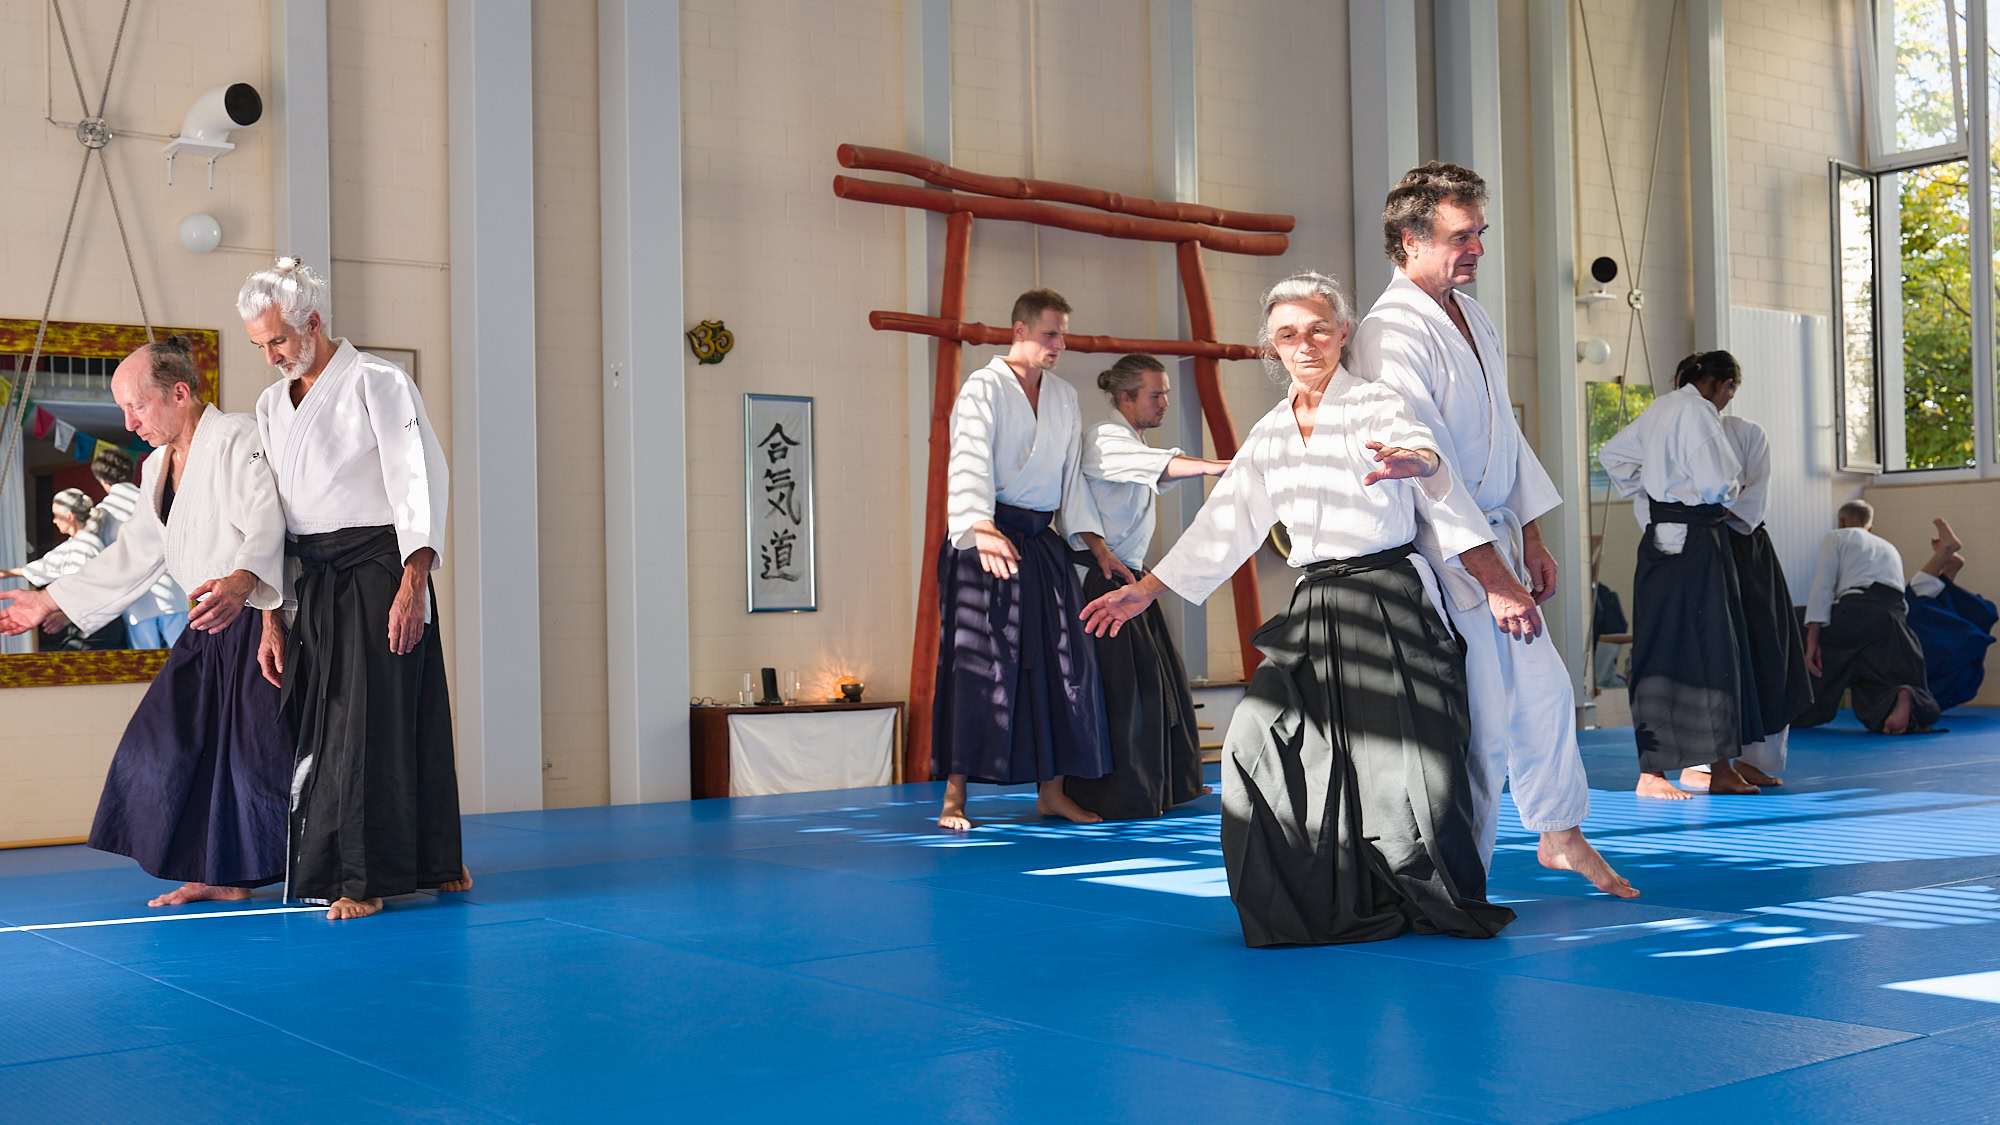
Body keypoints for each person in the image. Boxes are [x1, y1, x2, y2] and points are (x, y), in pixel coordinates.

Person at [1082, 271, 1516, 947]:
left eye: (1319, 329)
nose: (1305, 344)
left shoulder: (1375, 402)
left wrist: (1416, 461)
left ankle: (1427, 895)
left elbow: (1421, 449)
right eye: (1288, 334)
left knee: (1407, 770)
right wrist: (1147, 589)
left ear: (1343, 332)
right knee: (1257, 744)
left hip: (1388, 599)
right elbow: (1226, 522)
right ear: (1272, 346)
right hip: (1314, 604)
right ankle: (1313, 902)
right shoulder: (1271, 433)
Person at [1352, 162, 1636, 896]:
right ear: (1411, 240)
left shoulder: (1472, 316)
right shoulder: (1388, 332)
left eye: (1480, 232)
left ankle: (1559, 834)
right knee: (1478, 721)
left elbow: (1501, 434)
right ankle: (1461, 877)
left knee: (1545, 691)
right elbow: (1430, 469)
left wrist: (1531, 536)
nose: (1478, 247)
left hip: (1496, 537)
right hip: (1440, 552)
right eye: (1461, 235)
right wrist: (1496, 577)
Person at [0, 337, 290, 907]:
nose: (129, 423)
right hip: (204, 626)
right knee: (161, 744)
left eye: (137, 406)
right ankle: (214, 870)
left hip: (255, 616)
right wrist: (48, 601)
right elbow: (134, 555)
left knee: (254, 761)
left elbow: (267, 520)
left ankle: (292, 869)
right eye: (124, 410)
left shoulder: (238, 437)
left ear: (180, 393)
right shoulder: (156, 466)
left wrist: (241, 582)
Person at [239, 257, 469, 920]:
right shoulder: (270, 406)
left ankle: (363, 878)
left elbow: (416, 476)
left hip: (379, 569)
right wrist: (270, 612)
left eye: (278, 340)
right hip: (313, 577)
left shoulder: (377, 380)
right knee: (333, 721)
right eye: (260, 345)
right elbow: (270, 515)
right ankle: (431, 858)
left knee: (374, 720)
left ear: (312, 321)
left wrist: (413, 580)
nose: (271, 357)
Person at [934, 288, 1120, 830]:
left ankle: (1052, 792)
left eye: (1063, 334)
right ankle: (954, 797)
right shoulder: (984, 387)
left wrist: (1097, 545)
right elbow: (967, 458)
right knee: (980, 662)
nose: (1059, 344)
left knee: (1064, 663)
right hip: (986, 540)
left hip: (1041, 542)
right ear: (1019, 330)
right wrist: (981, 526)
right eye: (1049, 334)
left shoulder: (1062, 395)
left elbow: (1069, 477)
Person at [1063, 354, 1228, 820]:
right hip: (1100, 581)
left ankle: (1164, 785)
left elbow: (1154, 471)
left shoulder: (1130, 440)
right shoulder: (1103, 438)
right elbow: (1161, 467)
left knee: (1158, 683)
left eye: (1166, 395)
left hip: (1129, 575)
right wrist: (1213, 467)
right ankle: (1114, 794)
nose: (1164, 403)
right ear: (1126, 397)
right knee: (1122, 692)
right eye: (1155, 395)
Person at [1599, 350, 1769, 797]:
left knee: (1663, 649)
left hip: (1661, 540)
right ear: (1725, 385)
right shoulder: (1698, 411)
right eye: (1730, 392)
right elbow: (1719, 483)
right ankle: (1664, 774)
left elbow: (1612, 455)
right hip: (1696, 540)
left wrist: (1657, 489)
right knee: (1713, 650)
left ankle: (1696, 769)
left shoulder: (1661, 408)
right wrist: (1708, 495)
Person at [1678, 408, 1811, 790]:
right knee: (1710, 652)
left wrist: (1721, 513)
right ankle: (1701, 764)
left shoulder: (1746, 432)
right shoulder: (1671, 430)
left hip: (1746, 545)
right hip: (1698, 546)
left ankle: (1752, 760)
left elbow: (1758, 490)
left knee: (1768, 648)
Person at [1795, 500, 1941, 734]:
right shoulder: (1890, 547)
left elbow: (1823, 586)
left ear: (1841, 522)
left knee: (1791, 620)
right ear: (1870, 527)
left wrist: (1812, 640)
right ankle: (1902, 696)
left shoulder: (1837, 537)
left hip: (1857, 610)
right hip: (1894, 620)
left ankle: (1794, 708)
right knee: (1872, 674)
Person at [86, 445, 189, 649]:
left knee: (145, 664)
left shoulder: (102, 514)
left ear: (102, 480)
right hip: (173, 593)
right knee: (187, 658)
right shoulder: (155, 498)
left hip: (137, 603)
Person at [0, 490, 125, 650]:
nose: (54, 521)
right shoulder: (74, 544)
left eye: (56, 515)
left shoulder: (86, 546)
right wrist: (7, 573)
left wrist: (66, 616)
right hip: (84, 622)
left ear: (69, 516)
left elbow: (90, 589)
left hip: (99, 626)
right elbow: (45, 567)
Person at [1906, 518, 1995, 712]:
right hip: (1948, 671)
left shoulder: (1938, 692)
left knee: (1919, 608)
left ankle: (1947, 565)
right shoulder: (1933, 691)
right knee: (1914, 605)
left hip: (1950, 672)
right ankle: (1945, 561)